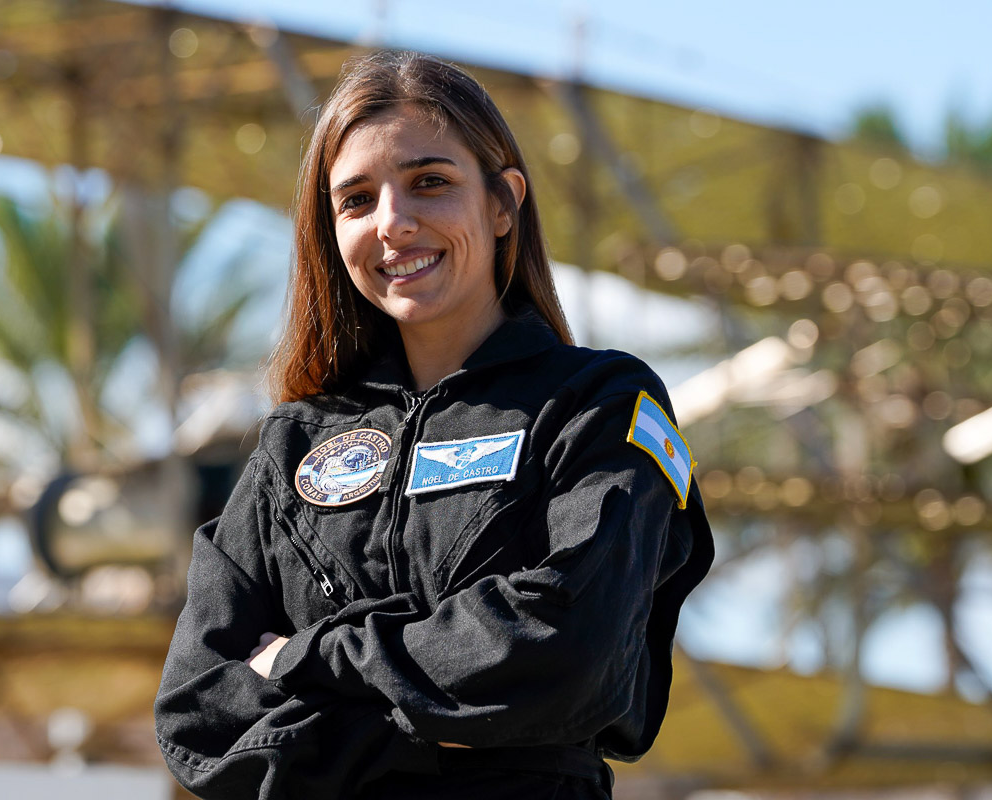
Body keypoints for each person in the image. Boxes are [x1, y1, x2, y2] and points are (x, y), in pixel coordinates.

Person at [155, 50, 713, 800]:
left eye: (430, 183)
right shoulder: (293, 442)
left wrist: (304, 659)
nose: (393, 223)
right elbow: (196, 715)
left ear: (503, 203)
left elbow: (567, 655)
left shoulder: (598, 405)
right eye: (355, 200)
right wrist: (448, 721)